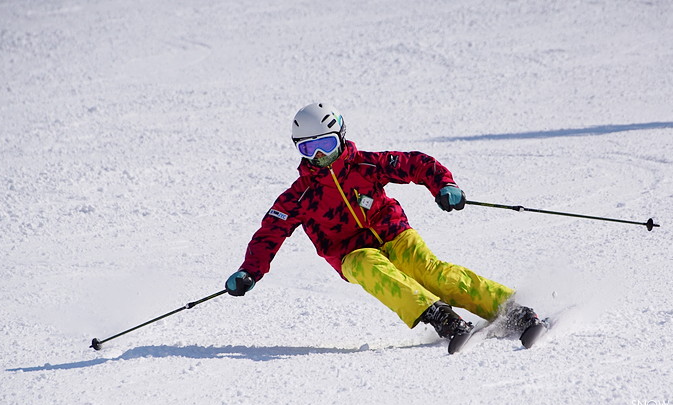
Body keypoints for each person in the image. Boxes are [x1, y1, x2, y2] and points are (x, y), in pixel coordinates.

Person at [225, 103, 543, 351]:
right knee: (371, 267)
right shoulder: (300, 195)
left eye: (324, 144)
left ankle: (511, 310)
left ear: (340, 137)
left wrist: (445, 185)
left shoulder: (366, 164)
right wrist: (249, 271)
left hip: (393, 232)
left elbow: (416, 163)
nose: (319, 155)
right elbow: (270, 231)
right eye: (309, 149)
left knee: (430, 271)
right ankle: (441, 317)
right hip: (349, 252)